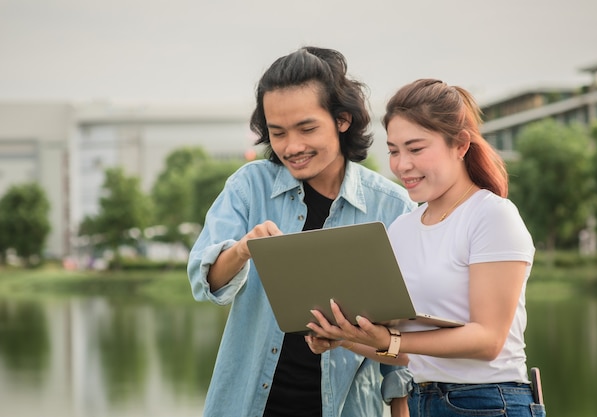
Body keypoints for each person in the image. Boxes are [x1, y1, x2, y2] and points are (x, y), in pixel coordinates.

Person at [187, 46, 416, 417]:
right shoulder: (249, 186)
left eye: (307, 128)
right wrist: (244, 249)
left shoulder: (392, 207)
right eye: (277, 133)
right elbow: (205, 283)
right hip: (246, 406)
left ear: (342, 120)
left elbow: (401, 344)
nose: (292, 147)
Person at [306, 78, 546, 417]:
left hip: (490, 403)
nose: (402, 165)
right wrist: (345, 337)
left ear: (460, 144)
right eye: (393, 150)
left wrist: (390, 341)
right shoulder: (403, 227)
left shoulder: (492, 215)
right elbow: (407, 353)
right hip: (422, 399)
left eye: (416, 149)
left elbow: (488, 340)